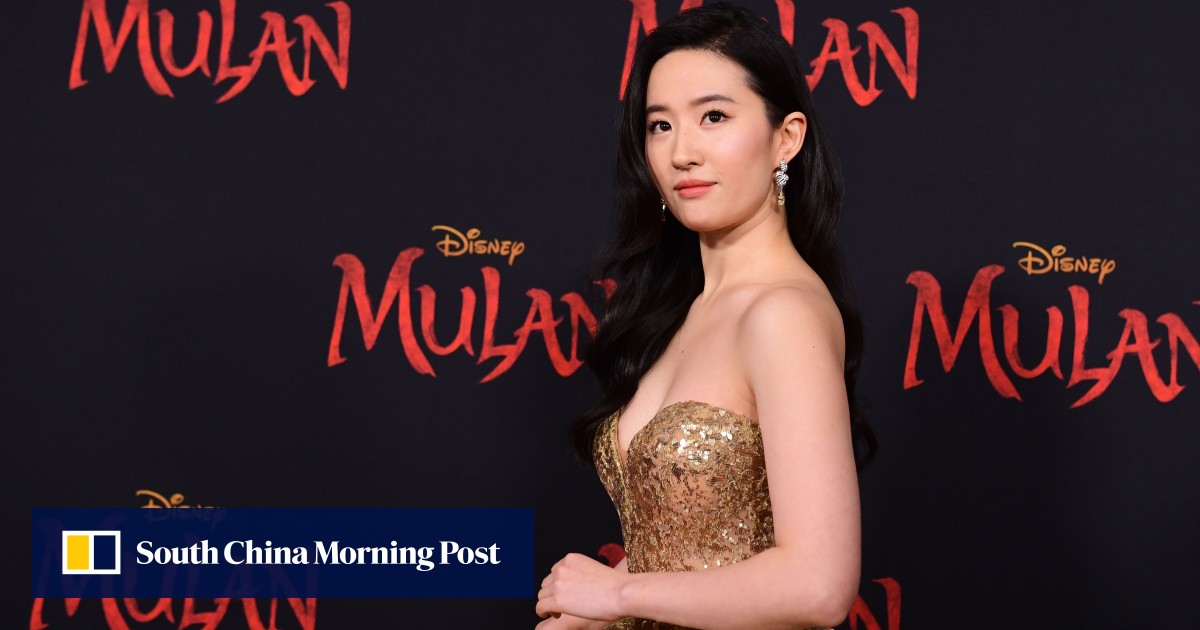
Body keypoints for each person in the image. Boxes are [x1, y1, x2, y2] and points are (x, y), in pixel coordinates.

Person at [536, 3, 876, 628]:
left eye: (713, 117)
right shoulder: (686, 308)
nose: (681, 152)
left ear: (786, 138)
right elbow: (691, 543)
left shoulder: (783, 313)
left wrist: (618, 597)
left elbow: (819, 585)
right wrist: (593, 612)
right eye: (659, 125)